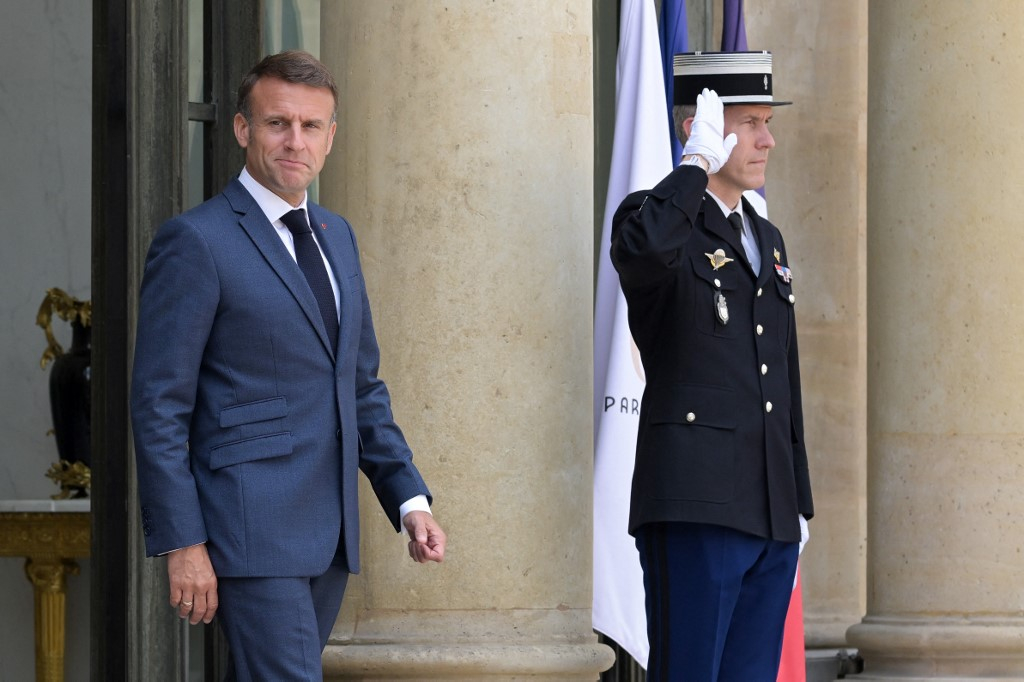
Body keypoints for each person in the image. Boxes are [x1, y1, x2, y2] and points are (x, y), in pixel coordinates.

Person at [130, 50, 446, 680]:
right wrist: (182, 540)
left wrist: (409, 498)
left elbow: (359, 387)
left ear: (330, 138)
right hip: (249, 528)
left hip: (330, 532)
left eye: (310, 126)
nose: (294, 141)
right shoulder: (196, 240)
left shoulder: (337, 236)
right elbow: (159, 404)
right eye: (277, 123)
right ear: (243, 129)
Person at [610, 51, 813, 681]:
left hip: (769, 508)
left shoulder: (766, 237)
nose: (766, 139)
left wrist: (796, 500)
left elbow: (783, 373)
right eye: (748, 122)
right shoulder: (654, 219)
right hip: (695, 503)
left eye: (766, 122)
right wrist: (693, 165)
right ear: (695, 128)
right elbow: (643, 254)